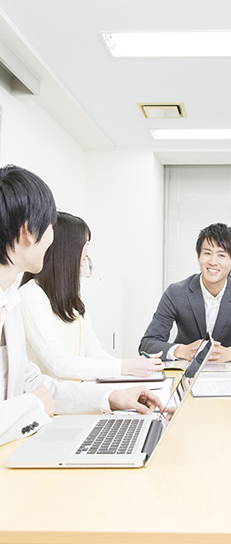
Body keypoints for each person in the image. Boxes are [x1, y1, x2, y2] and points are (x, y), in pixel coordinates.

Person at [0, 165, 167, 447]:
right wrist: (31, 406)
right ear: (29, 230)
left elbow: (33, 384)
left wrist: (109, 398)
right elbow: (38, 394)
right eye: (51, 225)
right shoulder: (26, 296)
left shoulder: (10, 300)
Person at [19, 212, 164, 381]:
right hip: (48, 402)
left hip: (77, 395)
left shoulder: (71, 298)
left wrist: (130, 370)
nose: (87, 253)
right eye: (84, 244)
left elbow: (93, 351)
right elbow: (59, 363)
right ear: (66, 248)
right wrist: (125, 367)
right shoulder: (30, 295)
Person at [140, 222, 231, 363]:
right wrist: (181, 350)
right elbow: (147, 344)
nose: (213, 262)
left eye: (221, 255)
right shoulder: (176, 292)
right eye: (207, 253)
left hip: (229, 371)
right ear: (198, 256)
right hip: (185, 369)